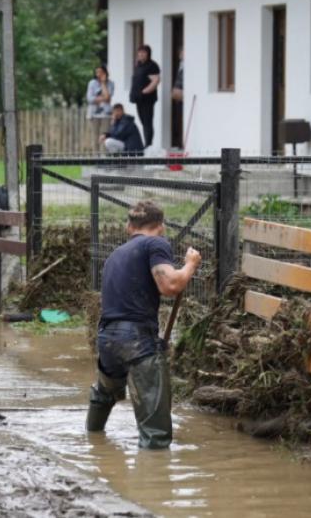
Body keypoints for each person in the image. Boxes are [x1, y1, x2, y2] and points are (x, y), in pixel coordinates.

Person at [86, 200, 200, 448]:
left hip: (106, 339)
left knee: (104, 395)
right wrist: (190, 264)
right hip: (136, 341)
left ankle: (93, 442)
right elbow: (170, 285)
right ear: (161, 227)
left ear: (129, 226)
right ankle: (153, 480)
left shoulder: (115, 255)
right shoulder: (156, 243)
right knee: (155, 435)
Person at [129, 45, 160, 153]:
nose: (141, 54)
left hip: (147, 99)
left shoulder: (152, 65)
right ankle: (146, 144)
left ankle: (148, 145)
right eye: (139, 52)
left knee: (147, 122)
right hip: (139, 99)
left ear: (148, 54)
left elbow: (156, 80)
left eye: (143, 52)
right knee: (143, 122)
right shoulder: (138, 65)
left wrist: (145, 91)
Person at [86, 64, 115, 139]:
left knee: (104, 136)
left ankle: (103, 151)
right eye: (97, 72)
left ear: (105, 73)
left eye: (101, 72)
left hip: (106, 114)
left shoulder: (111, 83)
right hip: (93, 114)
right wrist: (103, 98)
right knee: (95, 137)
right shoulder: (92, 83)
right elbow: (90, 99)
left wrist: (103, 83)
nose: (99, 74)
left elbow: (108, 98)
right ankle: (96, 151)